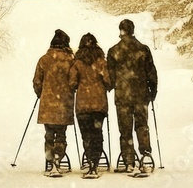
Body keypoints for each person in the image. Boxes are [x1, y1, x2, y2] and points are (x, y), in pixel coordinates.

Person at [106, 18, 158, 175]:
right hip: (141, 95)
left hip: (122, 97)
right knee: (142, 126)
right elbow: (152, 73)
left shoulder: (113, 51)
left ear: (121, 31)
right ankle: (145, 155)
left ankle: (129, 161)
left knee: (125, 129)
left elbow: (110, 77)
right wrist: (152, 92)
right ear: (133, 30)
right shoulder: (143, 49)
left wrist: (111, 86)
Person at [33, 29, 75, 177]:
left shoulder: (44, 59)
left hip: (48, 103)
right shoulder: (70, 60)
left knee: (49, 134)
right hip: (64, 103)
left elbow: (37, 81)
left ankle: (50, 161)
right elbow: (73, 81)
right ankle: (58, 158)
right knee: (61, 134)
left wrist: (41, 94)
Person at [69, 33, 112, 179]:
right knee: (97, 134)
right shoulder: (101, 62)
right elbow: (108, 81)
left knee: (86, 135)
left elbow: (72, 83)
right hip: (99, 105)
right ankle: (95, 163)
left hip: (82, 105)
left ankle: (89, 160)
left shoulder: (77, 64)